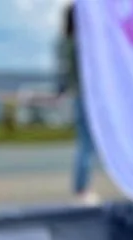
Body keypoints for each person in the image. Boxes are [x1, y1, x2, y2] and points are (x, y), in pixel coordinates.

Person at [56, 2, 99, 204]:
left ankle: (80, 186)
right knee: (87, 145)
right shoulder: (83, 43)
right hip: (87, 96)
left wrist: (60, 90)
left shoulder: (66, 42)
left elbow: (63, 74)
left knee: (84, 143)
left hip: (76, 95)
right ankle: (83, 188)